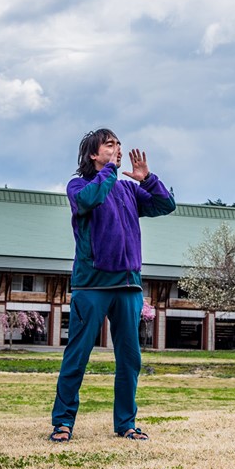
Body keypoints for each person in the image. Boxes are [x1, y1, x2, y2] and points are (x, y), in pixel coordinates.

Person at [49, 128, 176, 442]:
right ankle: (63, 424)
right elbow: (91, 199)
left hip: (129, 287)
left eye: (119, 144)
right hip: (91, 287)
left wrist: (147, 179)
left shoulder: (128, 191)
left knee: (130, 360)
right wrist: (108, 171)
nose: (118, 149)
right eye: (110, 145)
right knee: (77, 356)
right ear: (94, 154)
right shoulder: (79, 186)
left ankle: (126, 424)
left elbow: (166, 205)